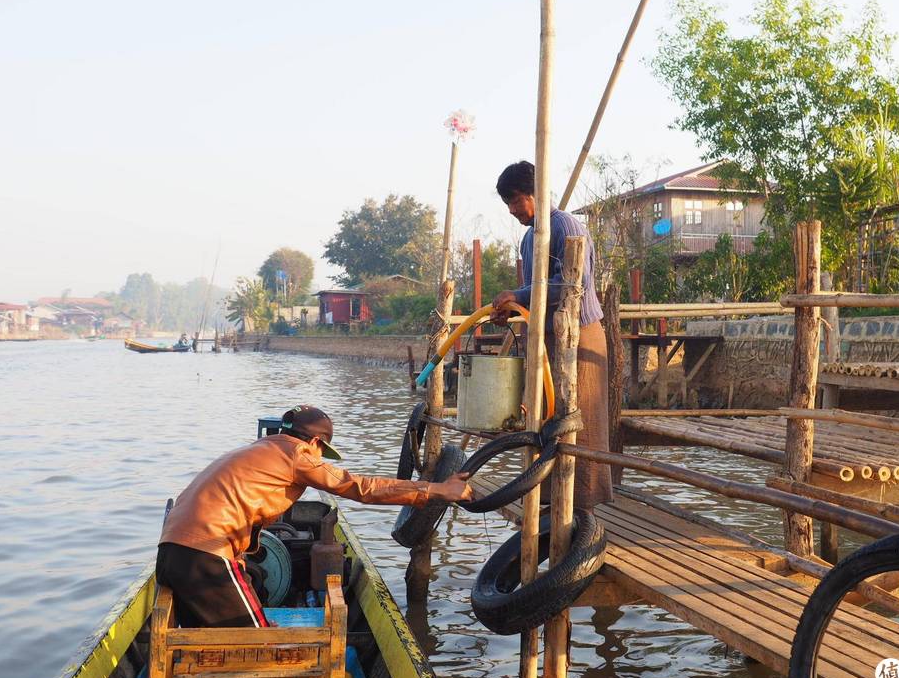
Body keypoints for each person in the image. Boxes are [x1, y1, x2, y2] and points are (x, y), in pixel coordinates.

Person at [157, 404, 472, 627]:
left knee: (201, 644)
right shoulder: (297, 454)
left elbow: (232, 507)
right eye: (323, 453)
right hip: (207, 554)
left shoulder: (256, 451)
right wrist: (437, 490)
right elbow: (361, 487)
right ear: (315, 442)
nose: (321, 460)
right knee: (253, 644)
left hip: (170, 551)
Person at [490, 160, 612, 508]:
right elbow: (534, 291)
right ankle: (548, 499)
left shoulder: (567, 226)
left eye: (516, 201)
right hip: (546, 339)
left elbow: (572, 285)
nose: (513, 210)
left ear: (535, 193)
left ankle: (586, 507)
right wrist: (512, 309)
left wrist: (519, 295)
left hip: (579, 337)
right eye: (508, 205)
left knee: (581, 422)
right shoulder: (530, 237)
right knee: (544, 419)